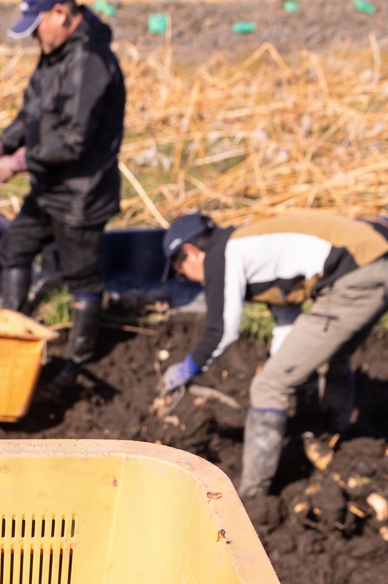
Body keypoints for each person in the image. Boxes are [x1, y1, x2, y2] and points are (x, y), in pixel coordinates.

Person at [159, 210, 388, 499]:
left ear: (191, 251)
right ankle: (334, 435)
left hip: (354, 277)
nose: (186, 278)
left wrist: (188, 367)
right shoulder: (252, 247)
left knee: (267, 387)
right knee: (333, 356)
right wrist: (283, 366)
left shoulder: (222, 254)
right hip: (373, 264)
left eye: (180, 270)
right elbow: (287, 318)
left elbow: (222, 331)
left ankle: (253, 497)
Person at [0, 0, 126, 389]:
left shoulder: (90, 62)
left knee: (82, 279)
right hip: (48, 186)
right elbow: (31, 115)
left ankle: (77, 364)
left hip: (81, 194)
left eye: (37, 28)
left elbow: (74, 140)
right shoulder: (53, 55)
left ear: (60, 14)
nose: (35, 38)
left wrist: (17, 163)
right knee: (15, 249)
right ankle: (12, 333)